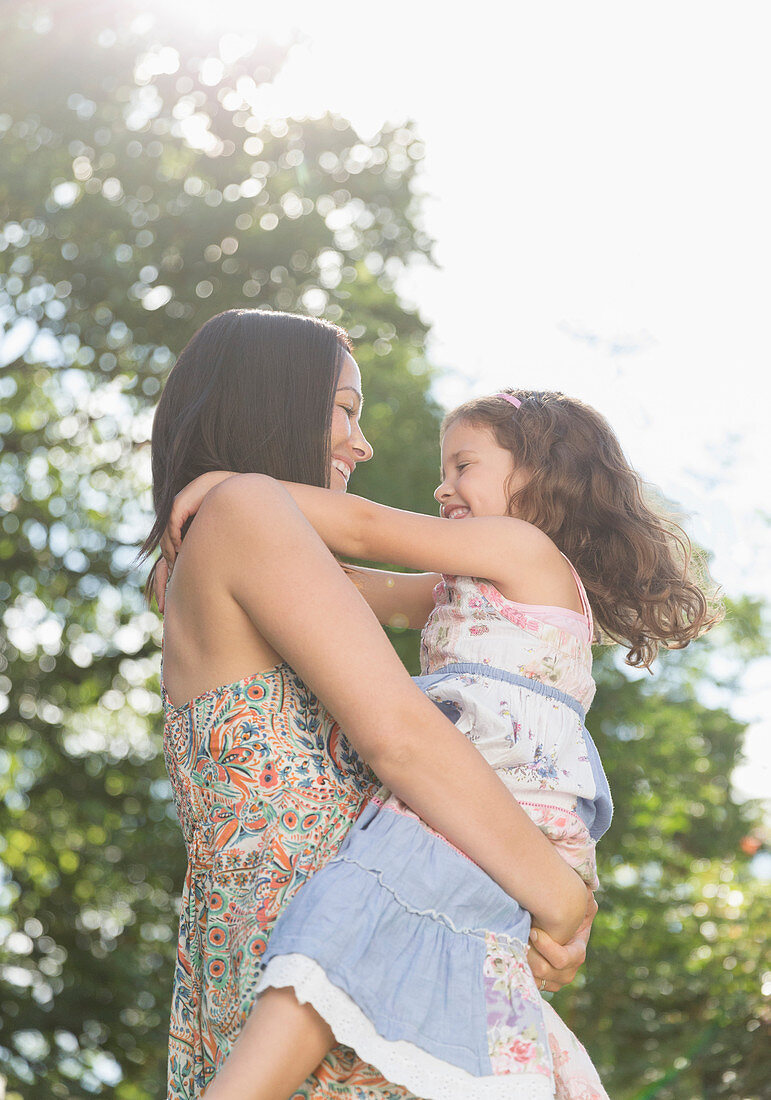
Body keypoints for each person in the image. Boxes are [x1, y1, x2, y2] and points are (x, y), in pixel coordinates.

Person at [161, 387, 719, 1100]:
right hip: (509, 805)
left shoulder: (519, 547)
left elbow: (360, 530)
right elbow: (348, 584)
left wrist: (234, 490)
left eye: (463, 465)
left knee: (346, 920)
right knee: (406, 946)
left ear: (538, 474)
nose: (441, 485)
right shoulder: (471, 580)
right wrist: (215, 561)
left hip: (501, 795)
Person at [143, 310, 595, 1100]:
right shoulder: (245, 513)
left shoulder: (237, 537)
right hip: (326, 952)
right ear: (274, 402)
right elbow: (405, 741)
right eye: (344, 409)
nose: (362, 443)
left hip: (276, 947)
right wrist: (561, 898)